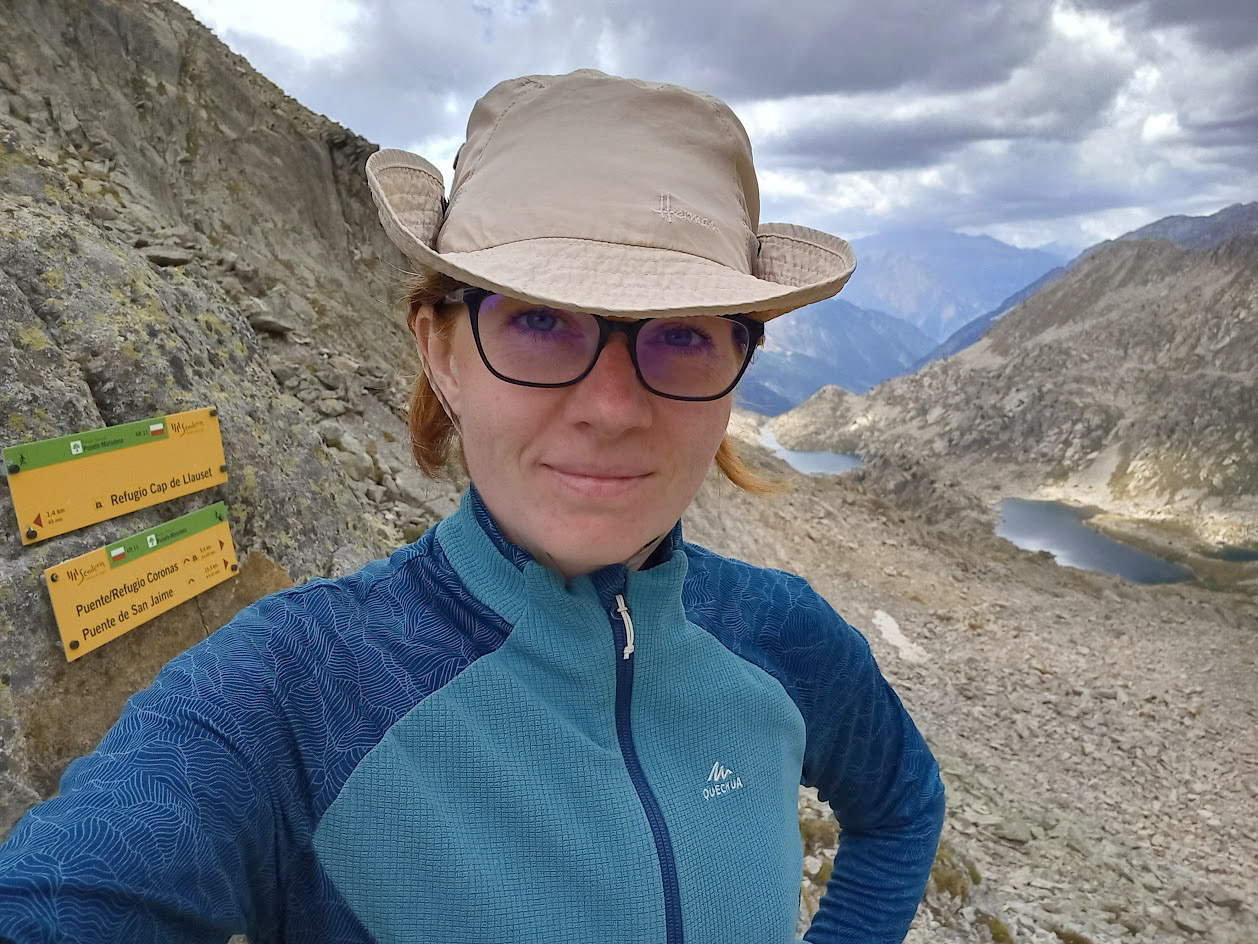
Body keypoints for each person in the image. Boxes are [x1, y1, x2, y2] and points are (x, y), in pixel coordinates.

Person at [0, 70, 944, 943]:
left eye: (684, 334)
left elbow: (903, 808)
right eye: (538, 319)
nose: (612, 408)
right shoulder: (291, 694)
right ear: (442, 353)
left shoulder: (783, 635)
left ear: (738, 366)